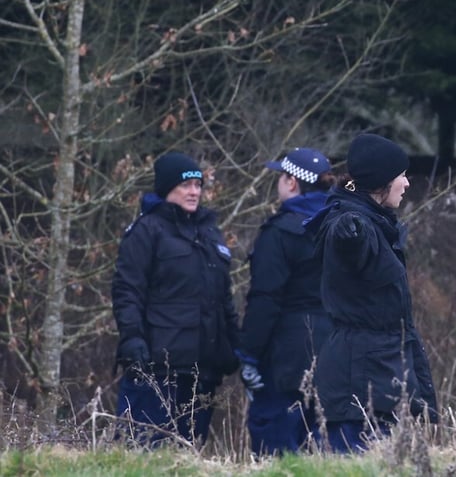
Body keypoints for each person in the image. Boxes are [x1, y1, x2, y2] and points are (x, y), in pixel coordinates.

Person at [306, 133, 437, 453]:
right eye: (401, 176)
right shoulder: (351, 224)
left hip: (381, 379)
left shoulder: (378, 223)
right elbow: (347, 241)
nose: (407, 183)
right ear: (382, 182)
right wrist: (350, 232)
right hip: (357, 384)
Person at [111, 151, 240, 445]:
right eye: (186, 185)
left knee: (188, 455)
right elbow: (127, 290)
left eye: (198, 185)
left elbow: (224, 299)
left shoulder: (210, 234)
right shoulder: (146, 231)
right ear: (168, 187)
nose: (194, 192)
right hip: (157, 365)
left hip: (203, 370)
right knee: (142, 451)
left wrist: (235, 346)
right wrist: (132, 339)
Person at [236, 148, 335, 455]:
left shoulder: (279, 232)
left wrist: (248, 355)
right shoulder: (345, 228)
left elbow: (265, 300)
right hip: (336, 354)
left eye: (281, 176)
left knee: (276, 450)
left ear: (291, 183)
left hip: (285, 359)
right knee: (322, 454)